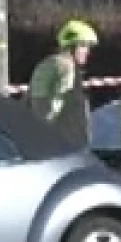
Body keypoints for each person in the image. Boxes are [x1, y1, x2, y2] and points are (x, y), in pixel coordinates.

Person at [30, 20, 97, 149]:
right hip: (66, 146)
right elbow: (55, 105)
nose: (87, 51)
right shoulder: (67, 67)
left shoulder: (47, 64)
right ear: (73, 46)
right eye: (84, 46)